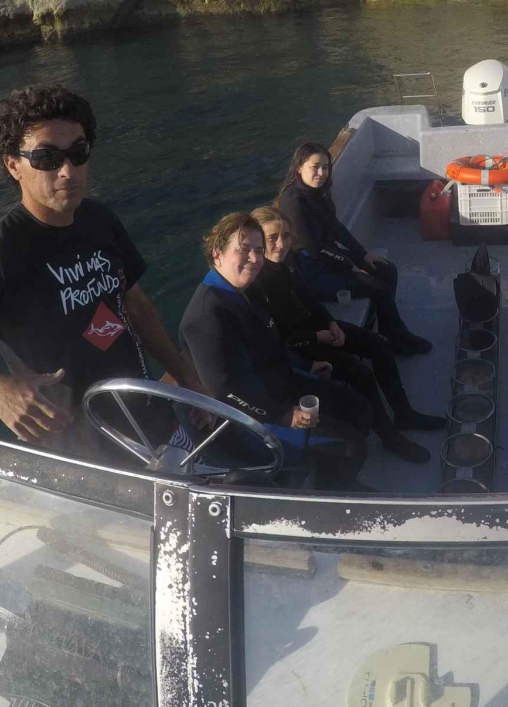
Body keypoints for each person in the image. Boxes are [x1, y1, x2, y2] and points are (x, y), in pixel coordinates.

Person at [0, 84, 200, 457]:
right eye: (47, 158)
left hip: (155, 421)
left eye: (78, 153)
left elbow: (136, 305)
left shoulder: (100, 219)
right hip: (84, 454)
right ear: (13, 165)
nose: (68, 170)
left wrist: (186, 376)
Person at [178, 211, 370, 488]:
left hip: (280, 385)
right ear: (217, 253)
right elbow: (224, 389)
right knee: (351, 446)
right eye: (244, 250)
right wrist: (284, 415)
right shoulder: (207, 314)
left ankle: (334, 475)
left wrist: (307, 366)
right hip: (245, 420)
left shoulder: (247, 289)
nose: (255, 259)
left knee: (359, 408)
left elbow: (272, 343)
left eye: (258, 250)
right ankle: (328, 496)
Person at [247, 206, 446, 461]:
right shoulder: (257, 281)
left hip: (315, 330)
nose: (281, 243)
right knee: (359, 373)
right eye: (272, 238)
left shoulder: (287, 261)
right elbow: (280, 339)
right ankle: (390, 437)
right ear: (257, 240)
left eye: (285, 235)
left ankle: (404, 414)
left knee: (378, 345)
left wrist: (331, 323)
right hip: (296, 348)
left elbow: (308, 297)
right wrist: (318, 338)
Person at [275, 142, 433, 355]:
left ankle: (388, 329)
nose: (321, 173)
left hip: (328, 257)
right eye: (315, 167)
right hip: (311, 270)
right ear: (299, 168)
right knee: (378, 287)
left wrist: (363, 254)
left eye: (325, 167)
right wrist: (350, 266)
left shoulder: (318, 192)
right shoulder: (293, 202)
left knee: (387, 269)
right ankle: (396, 337)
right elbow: (313, 248)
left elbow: (336, 227)